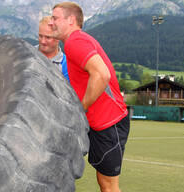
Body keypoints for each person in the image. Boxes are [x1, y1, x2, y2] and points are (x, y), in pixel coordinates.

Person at [48, 2, 130, 192]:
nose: (52, 23)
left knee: (109, 186)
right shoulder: (76, 41)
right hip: (101, 124)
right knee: (104, 184)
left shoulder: (75, 42)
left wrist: (82, 107)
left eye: (55, 18)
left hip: (109, 124)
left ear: (71, 20)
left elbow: (102, 75)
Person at [37, 16, 69, 80]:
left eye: (48, 37)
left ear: (58, 38)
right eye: (40, 36)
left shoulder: (67, 66)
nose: (43, 41)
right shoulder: (27, 54)